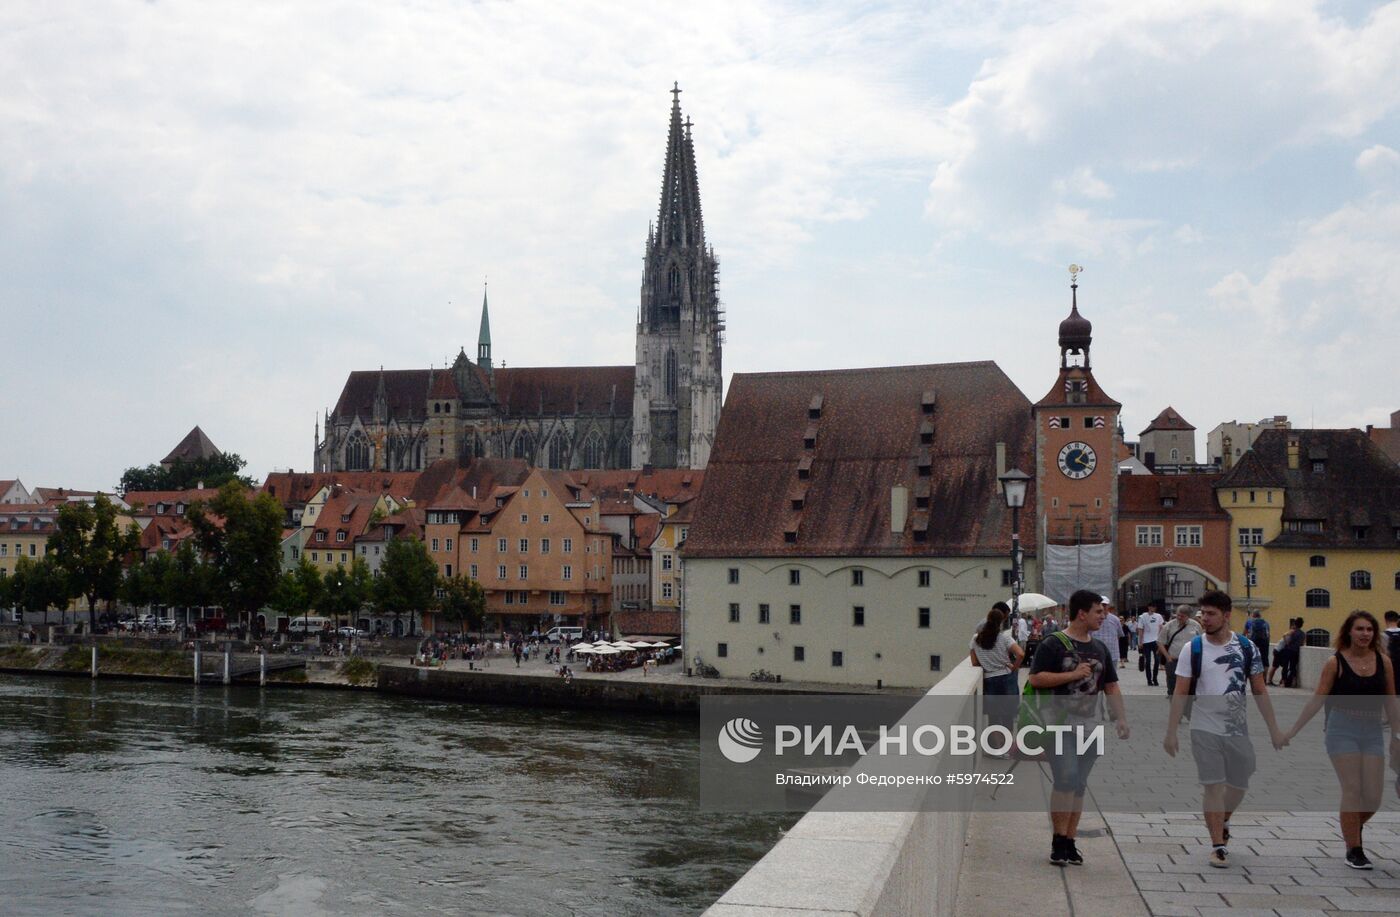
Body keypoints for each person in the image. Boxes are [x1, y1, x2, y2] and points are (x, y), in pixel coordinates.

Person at [1163, 590, 1285, 868]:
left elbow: (1259, 689)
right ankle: (1218, 844)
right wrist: (1171, 732)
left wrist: (1274, 729)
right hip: (1203, 728)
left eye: (1211, 614)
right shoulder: (1192, 648)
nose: (1204, 619)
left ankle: (1224, 817)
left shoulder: (1246, 647)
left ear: (1227, 616)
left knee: (1241, 782)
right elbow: (1181, 692)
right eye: (1202, 614)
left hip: (1237, 729)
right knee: (1213, 786)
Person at [1284, 611, 1400, 869]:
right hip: (1342, 728)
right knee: (1353, 788)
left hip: (1372, 730)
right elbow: (1317, 699)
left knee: (1373, 796)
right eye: (1359, 629)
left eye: (1369, 630)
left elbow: (1391, 701)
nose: (1365, 634)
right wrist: (1292, 731)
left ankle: (1351, 825)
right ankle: (1354, 849)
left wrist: (1396, 735)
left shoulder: (1384, 661)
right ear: (1349, 632)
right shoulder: (1335, 663)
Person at [1029, 589, 1130, 867]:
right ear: (1082, 613)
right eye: (1099, 611)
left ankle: (1070, 841)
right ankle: (1058, 841)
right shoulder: (1053, 644)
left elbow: (1110, 685)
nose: (1104, 616)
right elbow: (1036, 679)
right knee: (1066, 778)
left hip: (1091, 726)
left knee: (1079, 785)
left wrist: (1120, 717)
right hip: (1060, 724)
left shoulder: (1100, 649)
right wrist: (1073, 674)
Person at [970, 603, 1025, 746]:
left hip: (989, 679)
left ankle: (996, 746)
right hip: (1006, 677)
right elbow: (1020, 654)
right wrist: (1013, 668)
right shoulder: (1004, 638)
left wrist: (987, 663)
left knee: (994, 716)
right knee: (1008, 714)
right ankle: (1006, 744)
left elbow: (975, 663)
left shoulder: (976, 639)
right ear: (1001, 622)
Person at [1159, 605, 1202, 698]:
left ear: (1188, 616)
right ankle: (1174, 707)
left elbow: (1202, 641)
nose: (1179, 617)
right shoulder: (1169, 625)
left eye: (1182, 616)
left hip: (1191, 661)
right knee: (1172, 686)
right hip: (1173, 660)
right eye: (1178, 615)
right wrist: (1167, 657)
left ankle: (1187, 709)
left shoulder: (1195, 626)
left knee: (1191, 687)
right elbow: (1160, 642)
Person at [1092, 601, 1126, 667]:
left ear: (1108, 606)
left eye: (1105, 605)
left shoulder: (1115, 619)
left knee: (1112, 675)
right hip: (1096, 652)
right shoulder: (1092, 618)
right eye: (1102, 605)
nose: (1103, 607)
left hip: (1112, 652)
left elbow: (1120, 634)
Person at [1139, 602, 1165, 686]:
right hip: (1146, 641)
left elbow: (1161, 628)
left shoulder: (1158, 616)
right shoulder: (1142, 616)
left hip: (1156, 641)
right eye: (1152, 607)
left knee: (1157, 660)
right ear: (1149, 607)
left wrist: (1161, 640)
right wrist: (1140, 642)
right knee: (1148, 661)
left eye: (1154, 607)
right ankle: (1149, 680)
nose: (1153, 608)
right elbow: (1140, 629)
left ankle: (1155, 678)